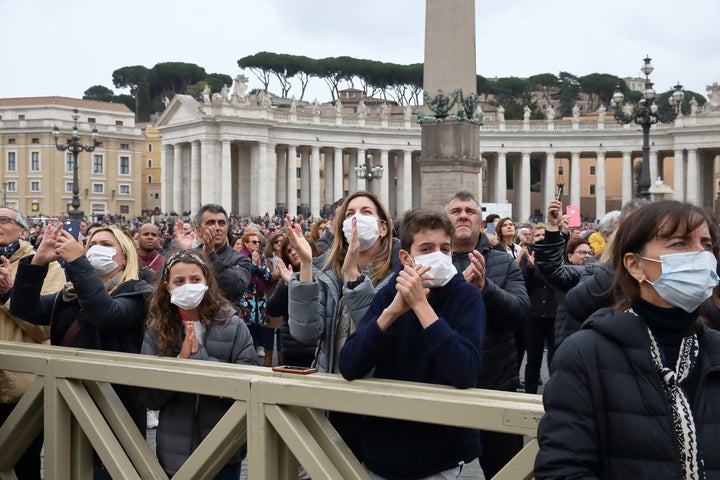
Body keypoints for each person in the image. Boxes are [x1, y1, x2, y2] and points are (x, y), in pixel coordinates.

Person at [534, 200, 720, 479]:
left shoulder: (714, 349)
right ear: (635, 265)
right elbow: (563, 469)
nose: (701, 255)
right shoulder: (585, 355)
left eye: (706, 245)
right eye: (680, 244)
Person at [339, 209, 484, 479]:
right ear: (406, 257)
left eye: (445, 249)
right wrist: (391, 313)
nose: (438, 256)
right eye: (427, 248)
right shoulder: (390, 291)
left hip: (440, 452)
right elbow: (349, 364)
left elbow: (465, 370)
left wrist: (420, 305)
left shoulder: (465, 296)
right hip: (383, 444)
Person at [10, 224, 152, 477]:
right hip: (69, 405)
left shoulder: (138, 294)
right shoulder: (70, 295)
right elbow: (24, 309)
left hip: (116, 409)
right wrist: (37, 264)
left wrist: (77, 262)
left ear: (125, 258)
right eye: (92, 244)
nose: (97, 248)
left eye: (106, 245)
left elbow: (104, 314)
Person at [286, 190, 400, 457]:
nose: (356, 219)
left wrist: (354, 280)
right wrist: (305, 264)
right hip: (331, 396)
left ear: (383, 228)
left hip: (380, 399)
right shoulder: (325, 273)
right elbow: (305, 332)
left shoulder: (398, 276)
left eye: (366, 212)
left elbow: (382, 337)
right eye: (350, 214)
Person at [139, 249, 256, 478]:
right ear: (167, 286)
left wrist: (197, 361)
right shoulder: (157, 331)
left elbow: (248, 385)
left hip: (224, 449)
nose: (188, 286)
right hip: (175, 452)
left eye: (195, 280)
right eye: (179, 281)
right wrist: (178, 366)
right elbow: (148, 396)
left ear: (206, 281)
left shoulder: (233, 325)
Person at [444, 191, 529, 479]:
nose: (463, 215)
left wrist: (485, 289)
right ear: (446, 220)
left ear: (482, 225)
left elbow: (520, 313)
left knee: (505, 469)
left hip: (495, 384)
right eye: (456, 211)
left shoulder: (504, 263)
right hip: (441, 385)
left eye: (470, 211)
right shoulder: (429, 262)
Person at [0, 208, 66, 480]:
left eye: (4, 220)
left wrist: (8, 295)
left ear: (24, 231)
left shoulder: (45, 265)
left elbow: (45, 327)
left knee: (21, 467)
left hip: (22, 388)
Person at [173, 204, 251, 305]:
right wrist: (186, 253)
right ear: (198, 230)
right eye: (211, 223)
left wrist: (211, 257)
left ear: (227, 228)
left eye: (221, 223)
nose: (217, 228)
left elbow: (235, 289)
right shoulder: (191, 254)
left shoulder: (240, 259)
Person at [267, 236, 316, 367]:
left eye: (295, 247)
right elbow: (272, 310)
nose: (293, 252)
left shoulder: (323, 272)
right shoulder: (287, 276)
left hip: (317, 346)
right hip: (292, 346)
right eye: (289, 251)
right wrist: (287, 285)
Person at [518, 225, 557, 394]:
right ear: (532, 239)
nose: (541, 237)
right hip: (533, 316)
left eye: (544, 234)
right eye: (538, 235)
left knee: (556, 358)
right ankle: (530, 393)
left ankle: (557, 393)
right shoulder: (527, 257)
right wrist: (529, 268)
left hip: (553, 314)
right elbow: (520, 283)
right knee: (533, 359)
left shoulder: (556, 257)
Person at [232, 232, 277, 366]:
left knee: (259, 328)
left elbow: (268, 277)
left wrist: (259, 267)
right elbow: (241, 275)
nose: (257, 244)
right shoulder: (240, 258)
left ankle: (257, 352)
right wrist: (253, 266)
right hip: (247, 298)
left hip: (260, 299)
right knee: (247, 329)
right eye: (254, 242)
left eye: (258, 242)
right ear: (246, 244)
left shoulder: (261, 258)